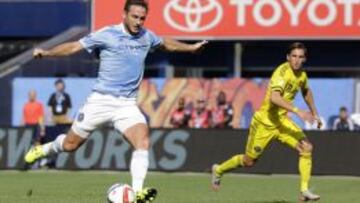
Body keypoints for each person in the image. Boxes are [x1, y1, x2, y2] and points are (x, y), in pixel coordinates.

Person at [24, 0, 208, 202]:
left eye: (142, 18)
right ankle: (43, 149)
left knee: (143, 141)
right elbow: (74, 47)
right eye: (134, 17)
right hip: (100, 101)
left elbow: (166, 43)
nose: (138, 22)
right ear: (124, 14)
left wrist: (191, 48)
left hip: (126, 105)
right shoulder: (107, 34)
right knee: (70, 145)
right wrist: (48, 52)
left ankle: (138, 191)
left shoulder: (147, 36)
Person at [211, 42, 322, 201]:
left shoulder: (302, 75)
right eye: (294, 56)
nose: (297, 60)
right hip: (264, 123)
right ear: (288, 57)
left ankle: (304, 191)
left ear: (305, 59)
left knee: (306, 148)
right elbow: (275, 98)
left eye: (300, 57)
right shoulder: (282, 73)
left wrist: (314, 113)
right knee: (249, 162)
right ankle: (219, 170)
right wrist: (299, 112)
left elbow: (306, 90)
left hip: (282, 122)